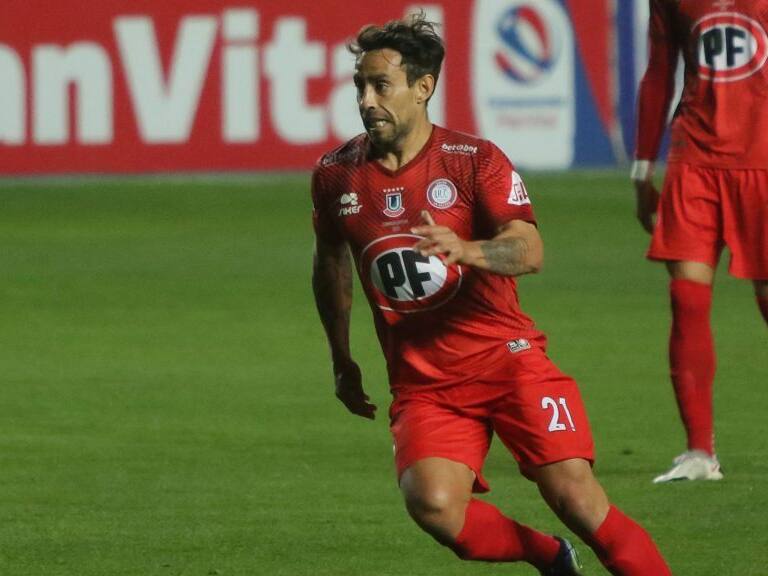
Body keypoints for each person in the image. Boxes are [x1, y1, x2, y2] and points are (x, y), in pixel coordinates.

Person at [312, 13, 671, 575]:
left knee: (577, 498)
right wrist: (341, 359)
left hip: (508, 361)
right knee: (433, 505)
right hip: (423, 381)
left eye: (380, 84)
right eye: (359, 84)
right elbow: (331, 263)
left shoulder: (474, 161)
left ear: (422, 88)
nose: (365, 99)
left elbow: (528, 251)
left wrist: (469, 250)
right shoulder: (336, 175)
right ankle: (548, 556)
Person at [632, 0, 768, 483]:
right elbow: (658, 73)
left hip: (762, 160)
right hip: (694, 162)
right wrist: (643, 165)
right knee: (686, 300)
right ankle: (698, 453)